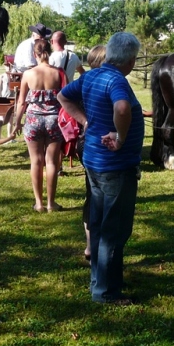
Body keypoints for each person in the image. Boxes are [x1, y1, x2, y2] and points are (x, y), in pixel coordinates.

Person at [58, 32, 144, 305]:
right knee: (113, 230)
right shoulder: (116, 80)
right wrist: (119, 138)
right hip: (114, 167)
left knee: (98, 224)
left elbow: (63, 96)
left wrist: (85, 121)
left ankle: (100, 282)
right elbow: (121, 107)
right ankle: (106, 292)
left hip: (94, 162)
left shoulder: (93, 75)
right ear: (130, 59)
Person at [12, 39, 65, 212]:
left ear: (34, 54)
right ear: (49, 52)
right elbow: (67, 97)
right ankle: (51, 203)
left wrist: (17, 122)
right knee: (51, 162)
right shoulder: (59, 73)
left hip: (33, 121)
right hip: (54, 121)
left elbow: (21, 102)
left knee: (36, 161)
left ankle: (39, 204)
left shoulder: (28, 74)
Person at [80, 44, 107, 262]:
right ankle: (96, 246)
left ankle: (91, 245)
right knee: (99, 196)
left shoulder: (85, 81)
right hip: (98, 146)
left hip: (87, 143)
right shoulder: (102, 82)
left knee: (92, 195)